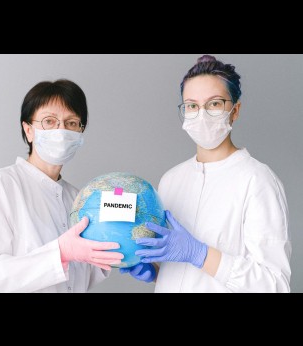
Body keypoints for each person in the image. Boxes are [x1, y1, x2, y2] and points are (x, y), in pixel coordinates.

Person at [120, 55, 292, 292]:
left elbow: (274, 284)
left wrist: (200, 254)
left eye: (214, 103)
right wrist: (156, 274)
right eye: (191, 105)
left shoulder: (257, 180)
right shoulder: (171, 180)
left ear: (235, 110)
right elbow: (185, 277)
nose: (201, 114)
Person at [0, 79, 124, 293]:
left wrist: (122, 253)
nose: (61, 130)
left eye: (71, 122)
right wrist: (59, 254)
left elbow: (81, 278)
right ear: (28, 130)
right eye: (49, 121)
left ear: (80, 132)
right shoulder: (0, 187)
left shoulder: (79, 199)